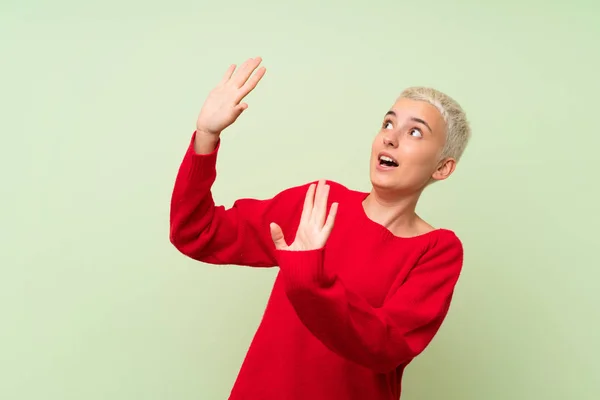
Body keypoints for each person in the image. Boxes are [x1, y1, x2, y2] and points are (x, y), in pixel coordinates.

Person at [169, 56, 471, 400]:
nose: (391, 138)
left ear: (443, 168)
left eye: (415, 132)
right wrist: (207, 135)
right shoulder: (319, 203)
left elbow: (386, 346)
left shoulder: (437, 250)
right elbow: (196, 232)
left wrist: (309, 277)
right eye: (388, 124)